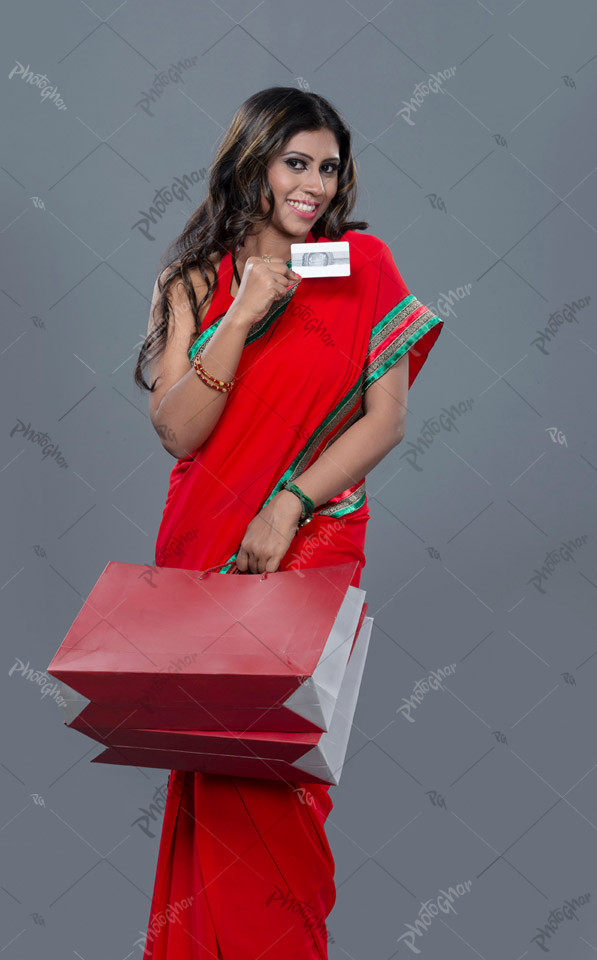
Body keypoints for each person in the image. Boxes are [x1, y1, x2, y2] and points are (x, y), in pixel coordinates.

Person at [133, 85, 444, 960]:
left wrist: (289, 501)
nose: (312, 184)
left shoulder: (362, 265)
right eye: (293, 163)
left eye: (327, 168)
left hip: (310, 547)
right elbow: (178, 431)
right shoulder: (195, 280)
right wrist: (242, 311)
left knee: (280, 787)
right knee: (214, 781)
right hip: (203, 551)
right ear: (252, 164)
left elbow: (385, 420)